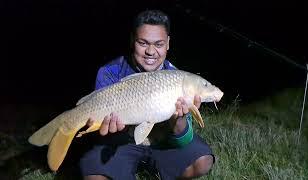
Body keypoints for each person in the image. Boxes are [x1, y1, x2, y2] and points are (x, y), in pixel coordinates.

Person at [79, 9, 215, 180]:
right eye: (143, 43)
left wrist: (178, 120)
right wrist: (106, 130)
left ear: (167, 43)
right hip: (122, 143)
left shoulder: (178, 77)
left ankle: (161, 170)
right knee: (94, 176)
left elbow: (182, 139)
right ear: (132, 40)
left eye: (158, 44)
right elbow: (98, 130)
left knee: (203, 161)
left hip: (162, 142)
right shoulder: (109, 73)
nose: (151, 52)